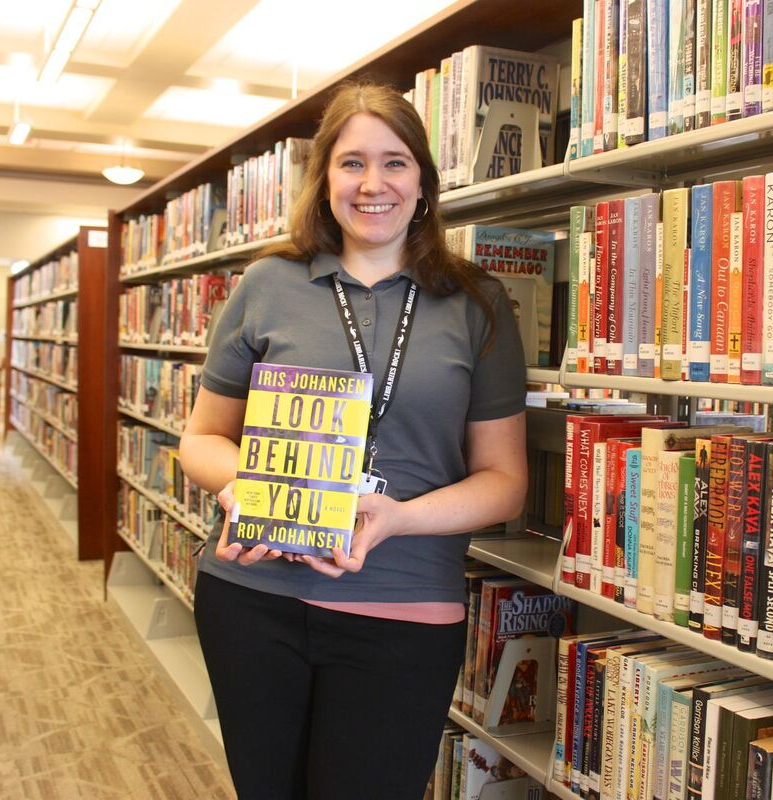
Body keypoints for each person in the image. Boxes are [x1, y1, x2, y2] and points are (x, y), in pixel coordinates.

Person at [179, 81, 528, 800]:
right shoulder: (268, 284)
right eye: (352, 163)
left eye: (395, 163)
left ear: (424, 183)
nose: (374, 184)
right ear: (324, 181)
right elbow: (202, 439)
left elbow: (504, 480)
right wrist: (243, 486)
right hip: (253, 599)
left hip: (403, 611)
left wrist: (399, 517)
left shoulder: (477, 302)